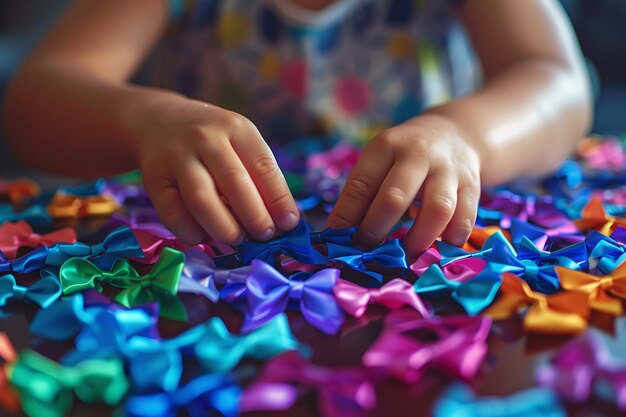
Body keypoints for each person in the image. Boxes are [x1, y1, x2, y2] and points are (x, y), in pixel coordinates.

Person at [2, 0, 592, 261]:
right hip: (205, 267)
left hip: (411, 260)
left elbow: (555, 81)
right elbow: (33, 103)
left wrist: (466, 136)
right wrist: (145, 120)